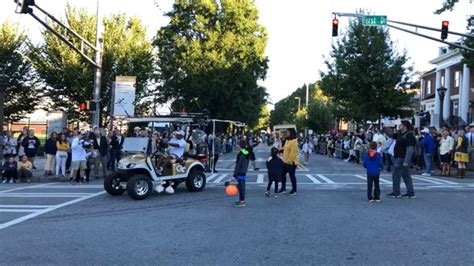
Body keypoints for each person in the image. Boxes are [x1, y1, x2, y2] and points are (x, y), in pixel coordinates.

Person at [387, 120, 416, 199]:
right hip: (398, 157)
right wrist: (386, 129)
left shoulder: (409, 135)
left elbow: (410, 149)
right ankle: (410, 192)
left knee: (396, 175)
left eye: (401, 125)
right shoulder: (400, 133)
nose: (399, 126)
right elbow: (392, 135)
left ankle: (396, 192)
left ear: (405, 126)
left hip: (402, 157)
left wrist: (406, 161)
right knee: (406, 175)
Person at [279, 130, 300, 195]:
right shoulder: (288, 141)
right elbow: (285, 148)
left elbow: (293, 153)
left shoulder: (294, 142)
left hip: (291, 162)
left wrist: (289, 161)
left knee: (292, 176)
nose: (285, 136)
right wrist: (278, 149)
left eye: (287, 134)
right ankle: (283, 188)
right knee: (282, 174)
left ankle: (294, 190)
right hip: (285, 161)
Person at [232, 140, 250, 207]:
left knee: (241, 187)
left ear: (239, 146)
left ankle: (242, 201)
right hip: (244, 171)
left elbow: (238, 165)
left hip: (240, 172)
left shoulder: (240, 154)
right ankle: (241, 200)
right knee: (241, 186)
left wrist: (235, 174)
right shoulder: (246, 152)